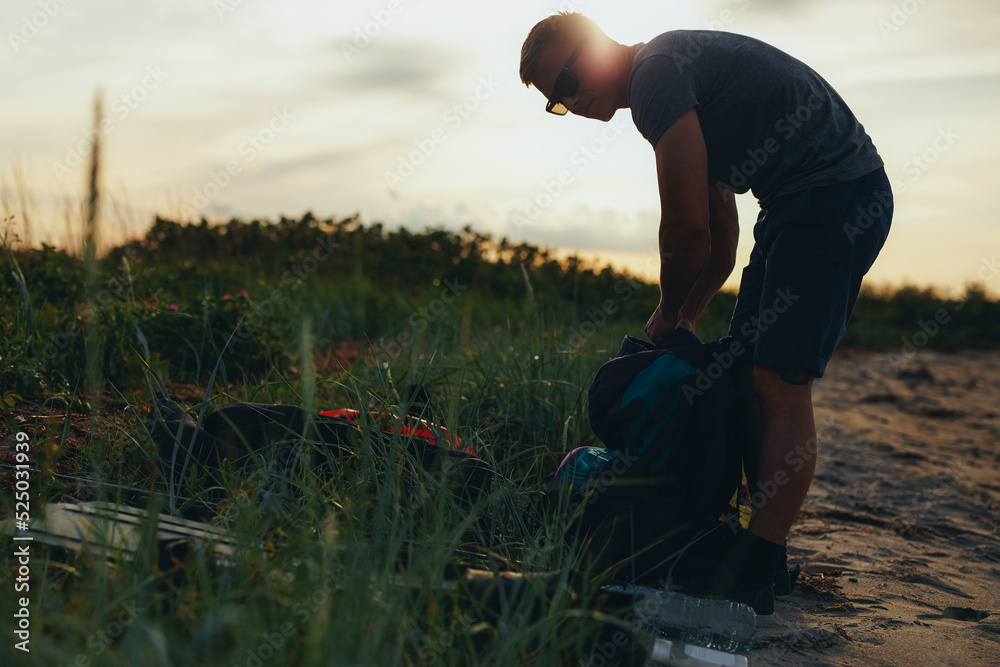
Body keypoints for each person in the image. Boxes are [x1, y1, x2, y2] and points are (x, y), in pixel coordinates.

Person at [518, 13, 893, 616]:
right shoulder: (666, 82)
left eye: (565, 81)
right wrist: (686, 316)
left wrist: (667, 307)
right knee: (746, 373)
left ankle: (753, 569)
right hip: (794, 205)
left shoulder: (656, 76)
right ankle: (760, 558)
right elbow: (720, 237)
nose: (569, 101)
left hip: (836, 196)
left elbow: (686, 225)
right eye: (554, 102)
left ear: (595, 45)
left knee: (778, 379)